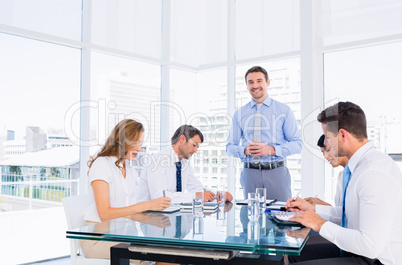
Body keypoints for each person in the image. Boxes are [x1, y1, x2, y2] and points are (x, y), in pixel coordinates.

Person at [286, 102, 402, 265]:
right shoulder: (360, 165)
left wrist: (320, 224)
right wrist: (313, 209)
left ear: (342, 135)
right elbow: (351, 215)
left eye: (327, 137)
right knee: (295, 254)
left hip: (376, 260)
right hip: (358, 251)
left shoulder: (373, 173)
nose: (326, 143)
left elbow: (370, 246)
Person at [82, 119, 172, 265]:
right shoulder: (101, 164)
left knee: (171, 251)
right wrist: (145, 205)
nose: (139, 149)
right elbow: (105, 214)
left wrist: (152, 220)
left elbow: (128, 211)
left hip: (121, 235)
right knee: (164, 254)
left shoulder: (129, 170)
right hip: (98, 239)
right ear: (122, 141)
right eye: (136, 143)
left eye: (141, 144)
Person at [226, 66, 302, 201]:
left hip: (277, 173)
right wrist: (244, 150)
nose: (255, 85)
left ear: (267, 82)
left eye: (259, 81)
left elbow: (297, 143)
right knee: (251, 217)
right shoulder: (239, 114)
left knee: (280, 217)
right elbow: (230, 146)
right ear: (247, 85)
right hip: (250, 174)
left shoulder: (284, 110)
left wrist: (272, 150)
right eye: (250, 82)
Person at [137, 124, 233, 204]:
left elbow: (196, 187)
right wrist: (196, 196)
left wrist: (218, 195)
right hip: (151, 219)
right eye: (194, 145)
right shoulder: (158, 161)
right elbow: (160, 197)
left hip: (172, 215)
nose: (195, 150)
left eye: (197, 147)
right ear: (182, 139)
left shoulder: (184, 163)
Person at [304, 134, 348, 207]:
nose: (325, 156)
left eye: (328, 150)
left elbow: (349, 215)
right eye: (323, 153)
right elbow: (342, 212)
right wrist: (321, 205)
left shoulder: (358, 174)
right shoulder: (342, 175)